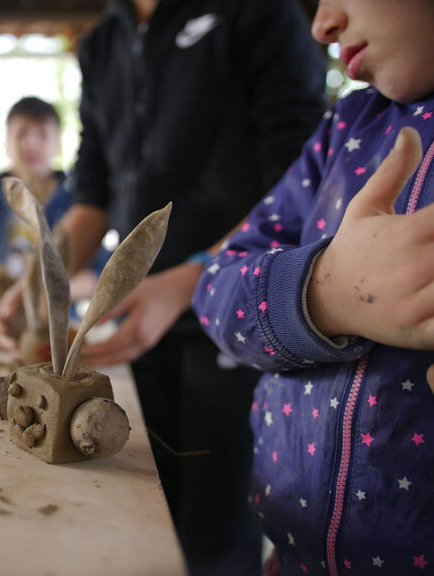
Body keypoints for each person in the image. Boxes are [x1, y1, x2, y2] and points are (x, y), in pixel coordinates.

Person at [0, 1, 327, 574]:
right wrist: (41, 277)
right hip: (140, 320)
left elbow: (295, 183)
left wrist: (192, 277)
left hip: (242, 317)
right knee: (140, 505)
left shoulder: (259, 15)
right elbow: (94, 192)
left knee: (215, 529)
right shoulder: (102, 43)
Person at [192, 0, 434, 573]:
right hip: (289, 552)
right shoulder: (347, 127)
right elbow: (216, 286)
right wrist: (322, 292)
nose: (322, 24)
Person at [0, 96, 107, 314]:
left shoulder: (80, 207)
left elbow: (100, 273)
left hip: (51, 322)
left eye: (42, 134)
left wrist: (50, 292)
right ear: (6, 143)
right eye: (21, 134)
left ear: (57, 145)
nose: (31, 143)